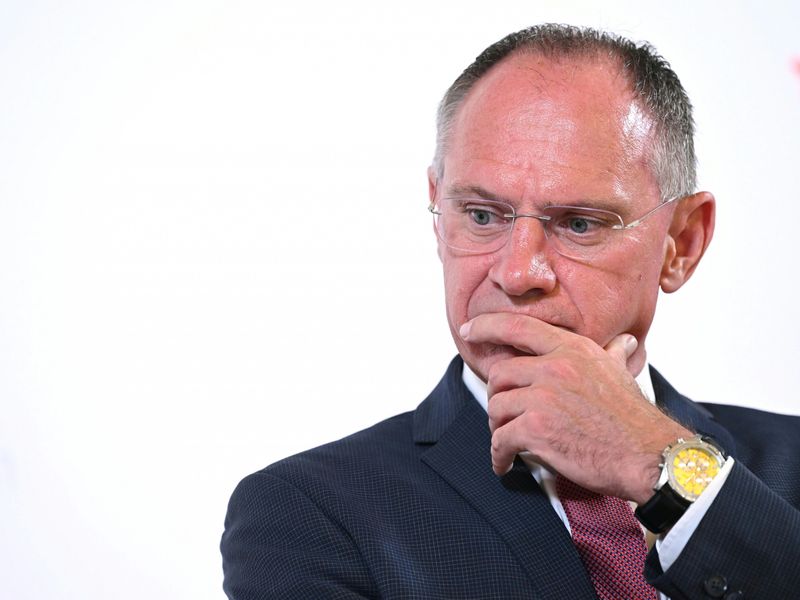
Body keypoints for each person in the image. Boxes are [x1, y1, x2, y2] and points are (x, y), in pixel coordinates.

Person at [221, 24, 800, 599]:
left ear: (682, 242)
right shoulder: (309, 515)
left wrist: (662, 466)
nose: (518, 273)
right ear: (439, 214)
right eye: (482, 215)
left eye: (579, 224)